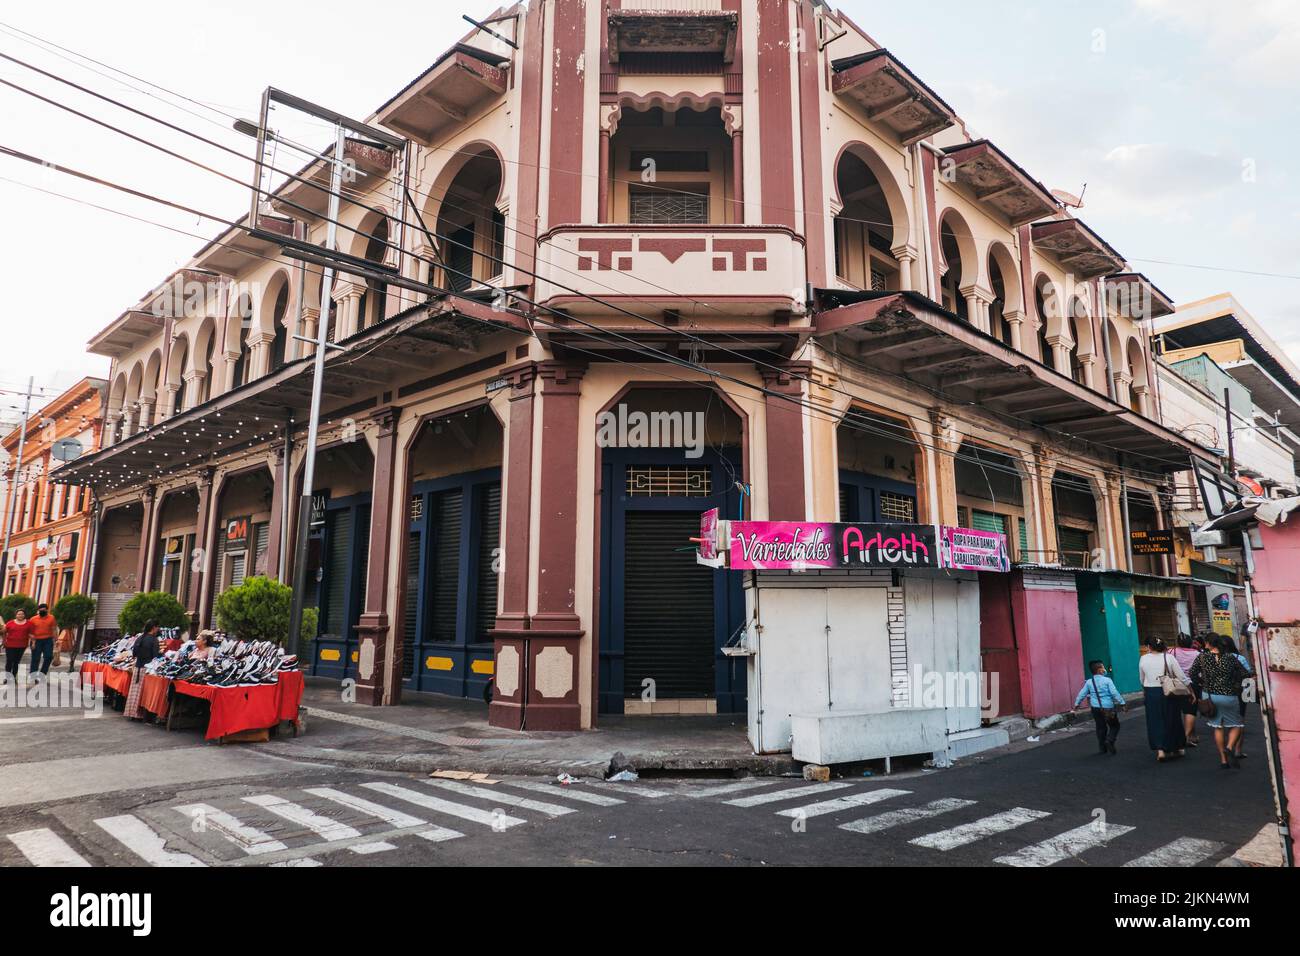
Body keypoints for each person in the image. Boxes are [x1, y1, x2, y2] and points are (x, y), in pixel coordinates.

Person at [1189, 636, 1251, 770]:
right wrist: (1234, 685)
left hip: (1210, 696)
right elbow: (1245, 674)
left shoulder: (1202, 657)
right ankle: (1229, 747)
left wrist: (1202, 683)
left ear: (1209, 643)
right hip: (1228, 695)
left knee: (1218, 727)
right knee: (1237, 724)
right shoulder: (1230, 657)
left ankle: (1223, 761)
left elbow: (1192, 673)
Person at [1138, 638, 1189, 761]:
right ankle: (1177, 747)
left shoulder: (1143, 658)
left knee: (1155, 720)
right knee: (1172, 718)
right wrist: (1189, 688)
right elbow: (1180, 675)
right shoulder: (1169, 657)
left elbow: (1141, 678)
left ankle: (1160, 750)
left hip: (1151, 692)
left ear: (1149, 647)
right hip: (1168, 691)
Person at [1073, 660, 1127, 754]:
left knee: (1100, 727)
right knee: (1114, 725)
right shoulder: (1107, 680)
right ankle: (1110, 740)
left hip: (1095, 708)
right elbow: (1114, 693)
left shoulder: (1089, 682)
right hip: (1108, 708)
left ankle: (1102, 748)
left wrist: (1076, 704)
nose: (1104, 669)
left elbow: (1082, 694)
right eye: (1102, 667)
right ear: (1099, 670)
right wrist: (1122, 703)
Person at [1221, 634, 1253, 761]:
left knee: (1222, 723)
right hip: (1239, 692)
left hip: (1221, 692)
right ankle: (1238, 750)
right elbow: (1248, 674)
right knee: (1240, 721)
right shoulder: (1240, 658)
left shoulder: (1215, 658)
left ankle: (1225, 751)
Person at [123, 621, 162, 721]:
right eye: (157, 627)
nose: (158, 629)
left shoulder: (140, 638)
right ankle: (140, 714)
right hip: (147, 669)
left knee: (134, 690)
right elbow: (155, 656)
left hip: (137, 667)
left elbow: (134, 653)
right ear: (153, 628)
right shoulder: (154, 640)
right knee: (143, 692)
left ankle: (132, 712)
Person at [1171, 633, 1202, 747]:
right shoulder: (1198, 654)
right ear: (1191, 643)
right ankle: (1186, 735)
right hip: (1193, 685)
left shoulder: (1172, 652)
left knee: (1178, 710)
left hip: (1176, 684)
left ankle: (1189, 736)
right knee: (1190, 711)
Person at [27, 603, 58, 678]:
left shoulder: (51, 618)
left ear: (47, 610)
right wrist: (32, 642)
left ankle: (43, 673)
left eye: (44, 610)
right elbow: (30, 631)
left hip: (48, 640)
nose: (42, 612)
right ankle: (33, 674)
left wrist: (56, 640)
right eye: (41, 610)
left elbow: (54, 629)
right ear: (38, 610)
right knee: (36, 658)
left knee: (49, 657)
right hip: (36, 640)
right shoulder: (33, 619)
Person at [3, 609, 35, 681]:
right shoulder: (10, 623)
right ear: (16, 615)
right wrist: (4, 641)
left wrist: (33, 643)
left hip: (21, 646)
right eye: (19, 614)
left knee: (16, 662)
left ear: (24, 615)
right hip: (10, 645)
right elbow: (4, 632)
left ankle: (14, 676)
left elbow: (31, 634)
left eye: (22, 614)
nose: (20, 615)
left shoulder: (29, 623)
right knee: (9, 661)